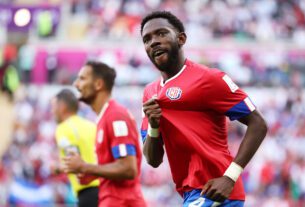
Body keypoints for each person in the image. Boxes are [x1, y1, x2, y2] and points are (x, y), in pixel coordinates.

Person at [140, 11, 268, 207]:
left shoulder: (209, 79)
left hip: (217, 192)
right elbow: (153, 159)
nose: (154, 42)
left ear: (181, 39)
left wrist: (230, 177)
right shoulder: (150, 94)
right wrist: (153, 126)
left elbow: (258, 123)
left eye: (161, 33)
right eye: (147, 39)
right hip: (190, 194)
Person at [63, 61, 146, 207]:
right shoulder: (103, 118)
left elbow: (128, 168)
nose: (76, 84)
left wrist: (85, 167)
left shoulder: (115, 115)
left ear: (98, 84)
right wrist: (92, 174)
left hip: (123, 201)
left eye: (82, 79)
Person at [51, 89, 99, 207]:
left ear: (62, 107)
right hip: (105, 187)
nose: (52, 111)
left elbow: (74, 163)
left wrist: (57, 168)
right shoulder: (91, 126)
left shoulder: (63, 128)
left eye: (53, 106)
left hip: (88, 191)